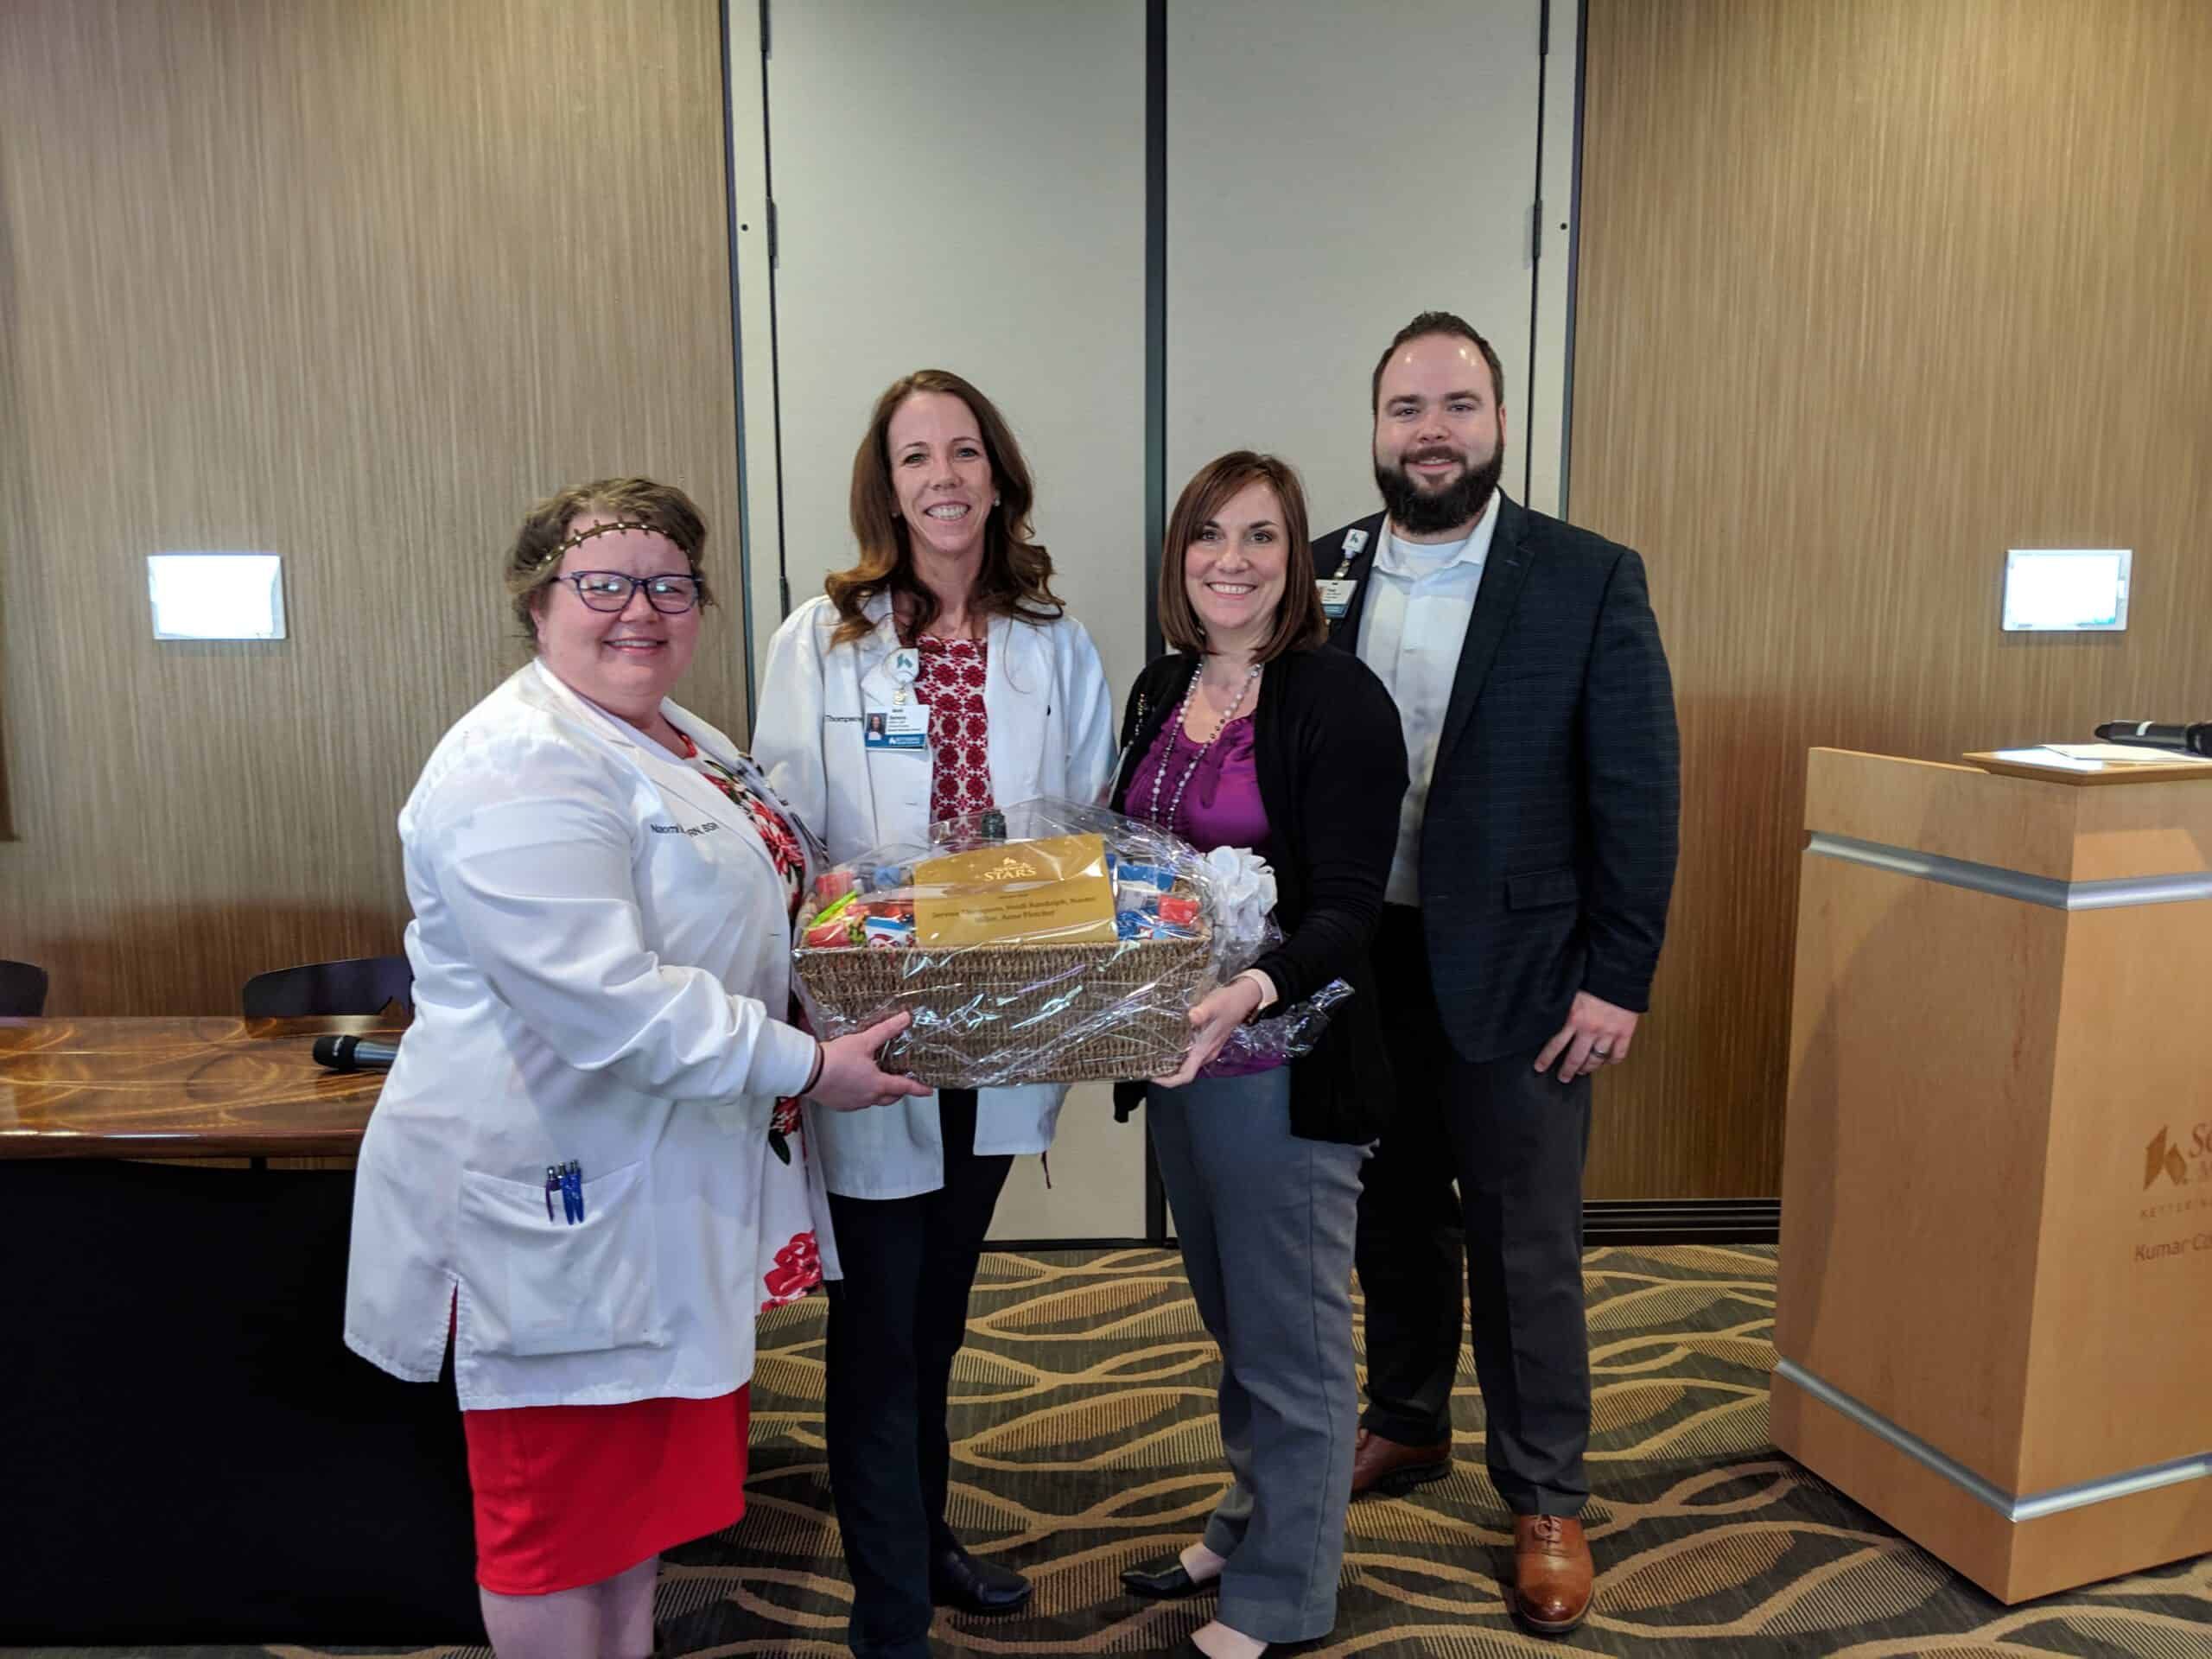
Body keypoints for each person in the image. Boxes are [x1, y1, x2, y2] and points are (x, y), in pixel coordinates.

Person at [344, 478, 925, 1659]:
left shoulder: (682, 735)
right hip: (556, 1206)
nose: (639, 611)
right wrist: (812, 1065)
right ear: (538, 601)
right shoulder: (516, 767)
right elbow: (610, 1009)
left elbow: (755, 911)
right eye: (602, 584)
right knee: (558, 1529)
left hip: (661, 1197)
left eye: (669, 584)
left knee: (632, 1524)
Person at [1318, 313, 1681, 1635]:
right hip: (1366, 965)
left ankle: (1545, 1495)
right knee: (1389, 1211)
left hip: (1526, 969)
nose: (1431, 431)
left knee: (1527, 1244)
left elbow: (1638, 790)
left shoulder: (1584, 577)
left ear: (1501, 424)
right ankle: (1406, 1420)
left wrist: (1618, 975)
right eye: (1406, 406)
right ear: (1374, 428)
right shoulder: (1316, 576)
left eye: (1458, 405)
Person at [751, 371, 1116, 1659]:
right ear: (887, 485)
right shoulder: (825, 639)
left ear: (999, 475)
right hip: (880, 1024)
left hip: (1005, 1016)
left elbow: (1085, 821)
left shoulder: (1053, 642)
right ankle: (887, 1604)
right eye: (916, 459)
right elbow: (788, 835)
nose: (944, 478)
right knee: (881, 1315)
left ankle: (924, 1529)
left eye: (965, 452)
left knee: (945, 1301)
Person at [1109, 453, 1408, 1659]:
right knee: (1236, 1317)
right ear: (1181, 557)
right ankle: (1251, 1511)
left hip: (1288, 1063)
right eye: (1209, 537)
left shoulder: (1337, 699)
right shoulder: (1161, 683)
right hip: (1184, 1061)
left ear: (1300, 560)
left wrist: (1249, 990)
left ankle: (1286, 1588)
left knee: (1294, 1335)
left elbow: (1351, 910)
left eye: (1262, 537)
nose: (1232, 561)